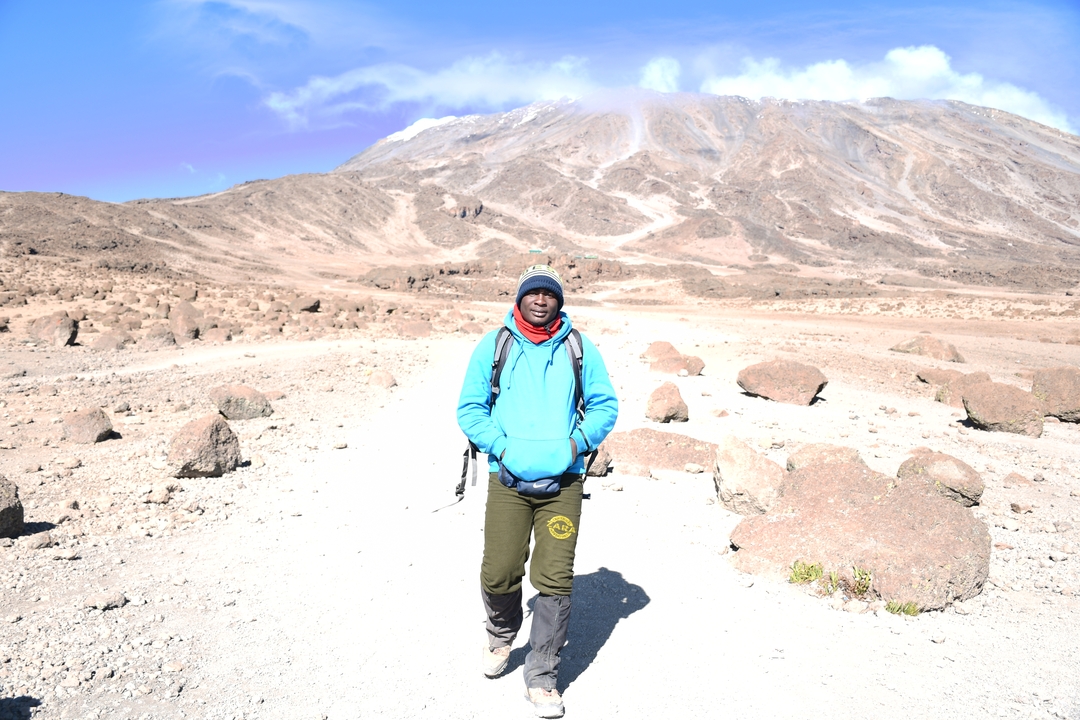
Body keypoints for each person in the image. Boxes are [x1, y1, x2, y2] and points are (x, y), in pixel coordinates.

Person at [457, 265, 619, 718]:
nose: (542, 300)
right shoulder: (495, 345)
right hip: (507, 479)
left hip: (563, 482)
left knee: (555, 578)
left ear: (559, 302)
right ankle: (501, 633)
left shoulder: (578, 347)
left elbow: (605, 405)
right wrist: (501, 446)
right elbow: (470, 408)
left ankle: (543, 674)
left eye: (550, 294)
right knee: (499, 570)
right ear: (520, 299)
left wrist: (575, 445)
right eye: (534, 293)